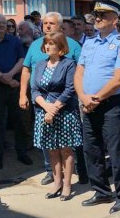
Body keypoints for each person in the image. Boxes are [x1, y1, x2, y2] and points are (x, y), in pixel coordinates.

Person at [74, 0, 120, 214]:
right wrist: (83, 97)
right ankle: (101, 191)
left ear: (115, 19)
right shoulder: (89, 43)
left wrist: (95, 99)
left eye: (103, 15)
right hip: (88, 104)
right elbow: (79, 73)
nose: (98, 18)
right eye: (96, 15)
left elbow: (119, 80)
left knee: (116, 151)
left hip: (110, 105)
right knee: (92, 149)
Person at [20, 12, 84, 186]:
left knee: (67, 145)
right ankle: (51, 173)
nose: (47, 26)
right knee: (49, 145)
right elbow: (27, 70)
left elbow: (80, 73)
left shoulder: (73, 46)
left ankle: (75, 172)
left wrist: (56, 106)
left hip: (65, 104)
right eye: (45, 23)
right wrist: (23, 94)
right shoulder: (35, 45)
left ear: (60, 26)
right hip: (41, 102)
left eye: (52, 23)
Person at [31, 32, 83, 201]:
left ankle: (67, 185)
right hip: (44, 111)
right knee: (52, 150)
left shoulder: (68, 64)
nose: (47, 46)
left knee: (66, 150)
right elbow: (34, 90)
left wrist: (53, 109)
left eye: (52, 43)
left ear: (61, 47)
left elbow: (69, 89)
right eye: (46, 43)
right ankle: (57, 183)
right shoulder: (39, 65)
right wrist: (46, 107)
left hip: (64, 112)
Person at [0, 13, 33, 169]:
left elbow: (22, 60)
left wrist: (9, 76)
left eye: (4, 23)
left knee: (20, 121)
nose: (3, 26)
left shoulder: (14, 41)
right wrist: (3, 77)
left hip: (14, 85)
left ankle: (22, 153)